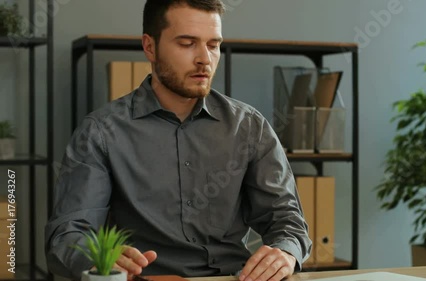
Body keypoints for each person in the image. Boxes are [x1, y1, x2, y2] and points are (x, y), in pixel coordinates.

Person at [45, 0, 312, 280]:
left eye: (213, 44)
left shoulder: (250, 127)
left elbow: (287, 222)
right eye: (187, 44)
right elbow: (67, 236)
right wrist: (100, 259)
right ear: (150, 47)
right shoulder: (100, 133)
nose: (204, 59)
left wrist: (285, 253)